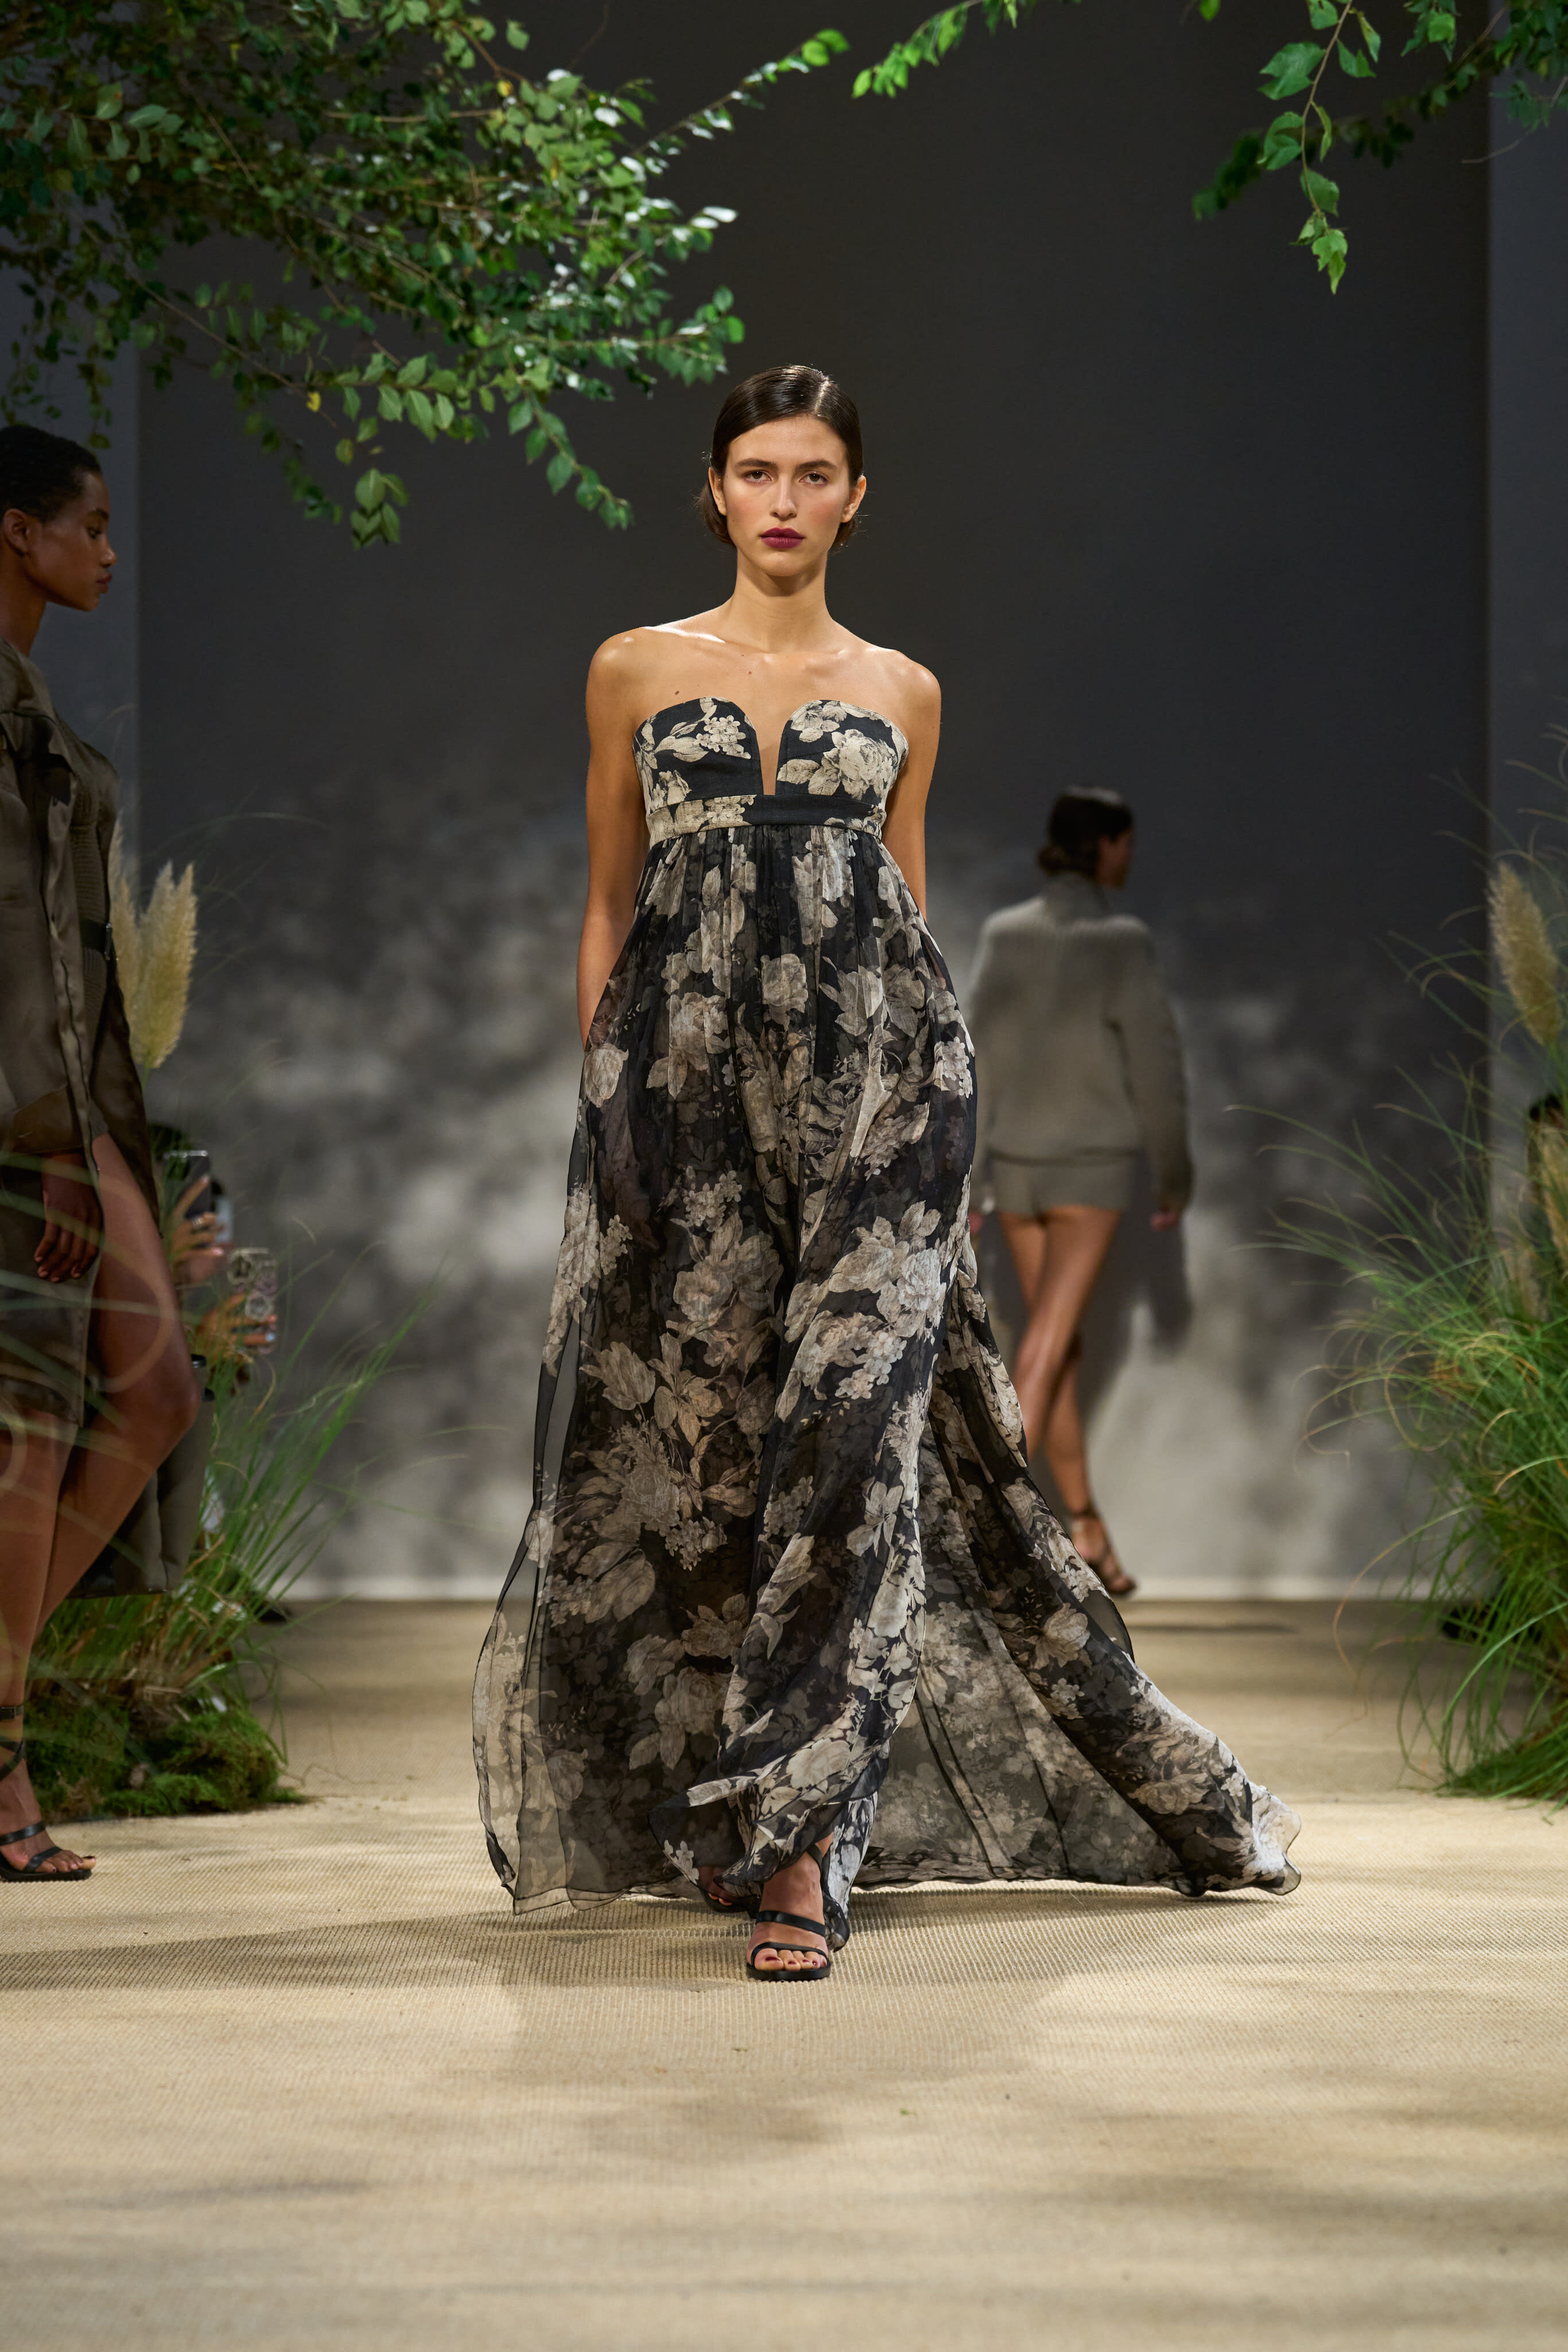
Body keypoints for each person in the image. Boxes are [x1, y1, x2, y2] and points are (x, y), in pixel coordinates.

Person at [473, 366, 1299, 1982]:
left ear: (856, 498)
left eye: (814, 473)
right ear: (714, 489)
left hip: (884, 1113)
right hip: (694, 1120)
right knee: (710, 1462)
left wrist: (944, 1122)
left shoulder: (904, 689)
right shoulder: (634, 668)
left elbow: (905, 918)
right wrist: (610, 1099)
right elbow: (608, 903)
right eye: (756, 470)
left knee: (851, 1456)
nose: (783, 499)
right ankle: (736, 1797)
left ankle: (804, 1845)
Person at [0, 425, 200, 1880]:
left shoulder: (31, 706)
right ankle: (3, 1763)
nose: (110, 554)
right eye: (92, 525)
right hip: (22, 1114)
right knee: (25, 1417)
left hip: (74, 1108)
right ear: (20, 533)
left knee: (156, 1395)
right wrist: (52, 1142)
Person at [966, 790, 1192, 1596]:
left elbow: (977, 1056)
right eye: (1126, 842)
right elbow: (1157, 1067)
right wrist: (1174, 1173)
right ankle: (989, 1528)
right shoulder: (1121, 941)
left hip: (1016, 1166)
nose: (1131, 856)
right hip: (1091, 1166)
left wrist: (976, 1175)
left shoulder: (1006, 934)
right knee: (1047, 1345)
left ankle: (1085, 1528)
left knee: (1054, 1347)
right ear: (1105, 846)